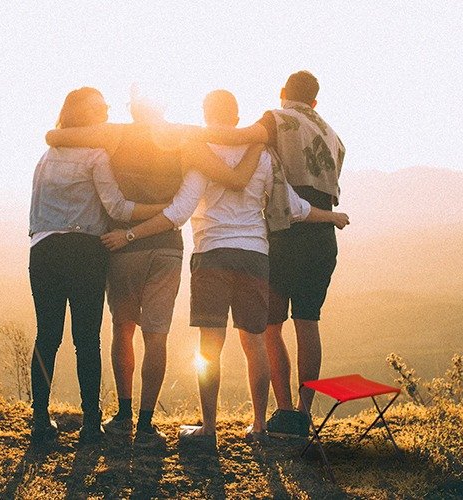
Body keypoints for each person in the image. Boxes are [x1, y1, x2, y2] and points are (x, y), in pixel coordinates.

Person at [100, 89, 349, 445]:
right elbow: (293, 207)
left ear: (206, 114)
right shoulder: (263, 155)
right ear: (237, 117)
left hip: (212, 254)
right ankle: (259, 426)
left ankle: (208, 429)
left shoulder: (201, 154)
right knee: (255, 342)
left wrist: (130, 234)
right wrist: (331, 216)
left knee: (210, 346)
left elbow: (179, 212)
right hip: (255, 255)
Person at [44, 93, 263, 447]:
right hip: (167, 248)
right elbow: (232, 168)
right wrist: (259, 136)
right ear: (163, 107)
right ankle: (146, 425)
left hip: (124, 246)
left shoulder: (115, 133)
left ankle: (123, 416)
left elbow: (56, 136)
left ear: (132, 109)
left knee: (123, 329)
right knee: (156, 335)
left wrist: (56, 134)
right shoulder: (183, 136)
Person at [185, 71, 347, 437]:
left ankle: (283, 411)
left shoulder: (277, 119)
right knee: (308, 322)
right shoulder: (333, 136)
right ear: (315, 101)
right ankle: (304, 414)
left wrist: (188, 134)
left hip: (285, 232)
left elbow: (237, 137)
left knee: (269, 327)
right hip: (321, 235)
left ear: (283, 92)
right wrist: (331, 217)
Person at [29, 87, 167, 444]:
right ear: (83, 114)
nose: (106, 111)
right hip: (84, 252)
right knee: (87, 339)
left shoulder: (46, 157)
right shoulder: (96, 155)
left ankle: (40, 420)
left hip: (43, 250)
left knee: (47, 336)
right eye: (99, 107)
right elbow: (117, 208)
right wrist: (163, 210)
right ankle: (91, 423)